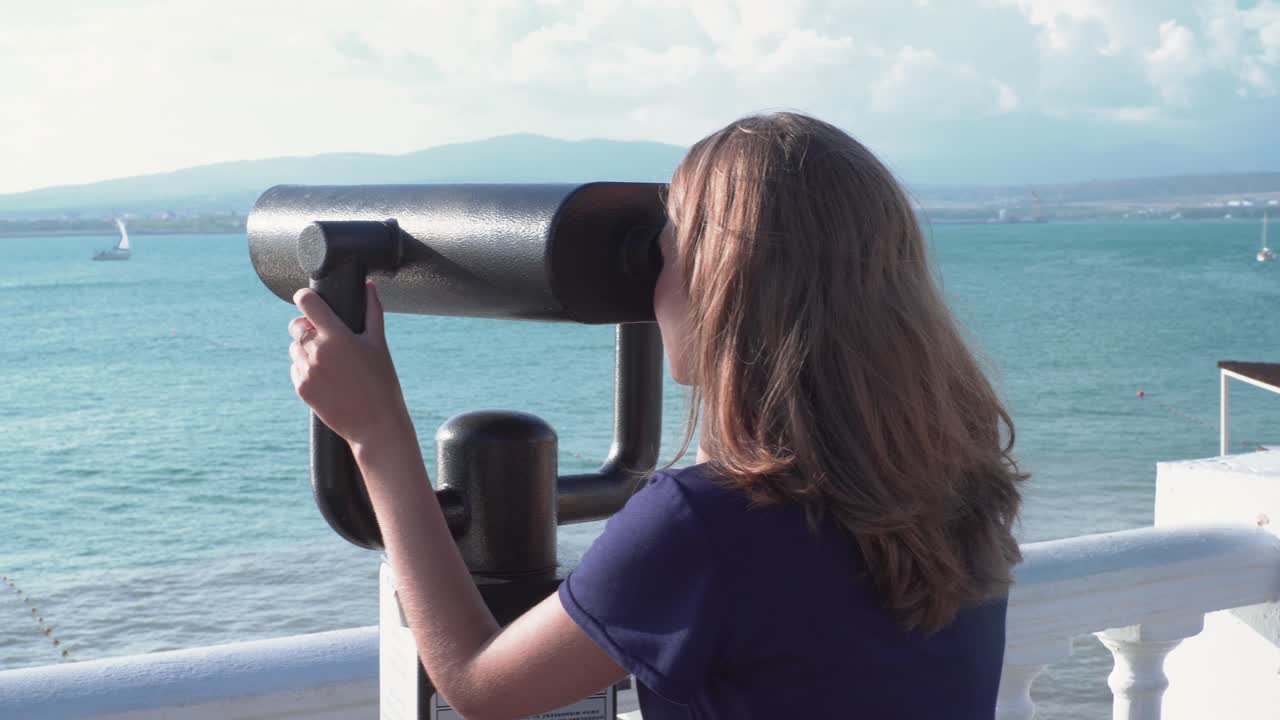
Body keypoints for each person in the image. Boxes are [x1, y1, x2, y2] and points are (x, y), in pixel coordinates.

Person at [288, 112, 1025, 720]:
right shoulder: (960, 490)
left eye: (664, 253)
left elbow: (481, 686)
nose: (650, 290)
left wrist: (376, 431)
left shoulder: (705, 526)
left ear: (719, 287)